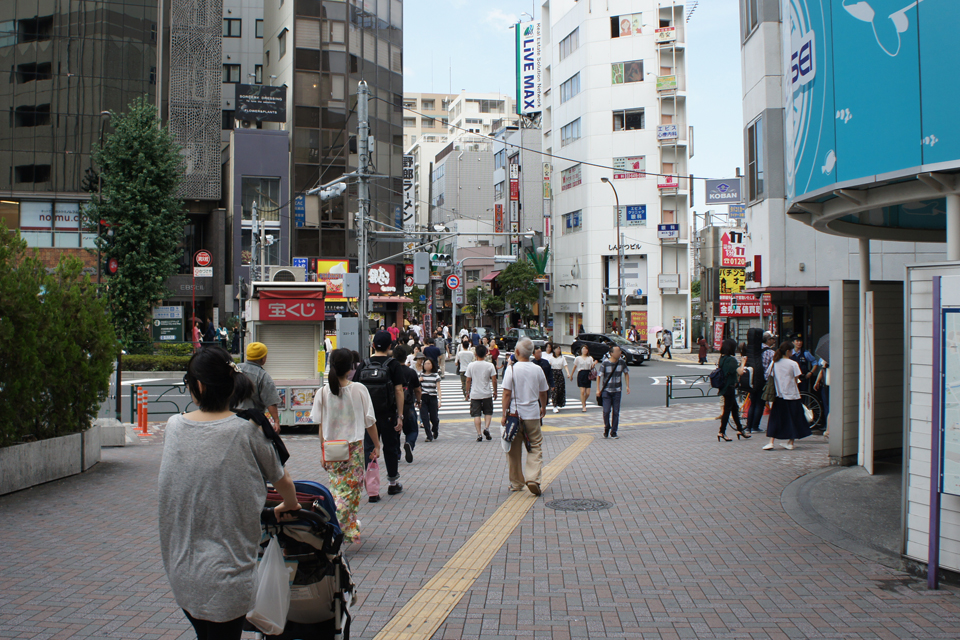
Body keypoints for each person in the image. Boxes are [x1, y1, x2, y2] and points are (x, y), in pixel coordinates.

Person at [158, 346, 302, 639]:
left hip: (181, 570)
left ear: (197, 385)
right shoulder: (247, 429)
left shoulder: (174, 426)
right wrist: (290, 504)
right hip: (229, 572)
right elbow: (282, 479)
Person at [311, 349, 380, 543]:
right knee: (350, 491)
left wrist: (322, 451)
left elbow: (321, 425)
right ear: (351, 367)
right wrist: (377, 444)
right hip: (354, 447)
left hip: (332, 448)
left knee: (338, 488)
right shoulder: (358, 389)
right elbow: (370, 421)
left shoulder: (323, 392)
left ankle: (348, 529)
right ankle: (334, 526)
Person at [354, 331, 405, 499]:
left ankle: (372, 490)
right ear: (390, 346)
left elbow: (355, 389)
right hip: (388, 414)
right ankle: (392, 483)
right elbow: (398, 390)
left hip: (368, 416)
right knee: (390, 447)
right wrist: (400, 415)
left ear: (373, 345)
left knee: (369, 449)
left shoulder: (364, 364)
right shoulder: (393, 364)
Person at [501, 337, 549, 495]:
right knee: (535, 446)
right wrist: (543, 407)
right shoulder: (537, 369)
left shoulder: (512, 369)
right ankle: (533, 478)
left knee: (513, 451)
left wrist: (503, 414)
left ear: (516, 352)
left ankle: (516, 483)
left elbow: (507, 393)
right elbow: (543, 392)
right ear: (532, 353)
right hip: (533, 414)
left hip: (515, 414)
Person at [763, 340, 813, 450]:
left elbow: (769, 376)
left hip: (779, 395)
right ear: (787, 351)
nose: (793, 352)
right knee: (794, 419)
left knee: (775, 419)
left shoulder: (774, 362)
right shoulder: (793, 364)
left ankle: (771, 442)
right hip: (793, 395)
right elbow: (796, 379)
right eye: (791, 350)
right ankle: (790, 442)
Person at [236, 342, 280, 431]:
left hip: (232, 417)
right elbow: (271, 401)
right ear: (263, 358)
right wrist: (276, 421)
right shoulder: (263, 376)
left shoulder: (235, 369)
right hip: (253, 420)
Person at [392, 345, 422, 464]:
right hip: (408, 405)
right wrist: (418, 401)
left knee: (394, 431)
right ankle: (409, 443)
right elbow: (418, 390)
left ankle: (396, 454)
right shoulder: (411, 372)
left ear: (394, 357)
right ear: (406, 358)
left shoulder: (391, 371)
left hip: (393, 406)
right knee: (412, 430)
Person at [716, 338, 749, 442]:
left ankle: (740, 430)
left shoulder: (722, 358)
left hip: (724, 387)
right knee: (727, 410)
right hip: (729, 387)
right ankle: (721, 432)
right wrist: (743, 362)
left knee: (734, 408)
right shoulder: (731, 360)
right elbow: (740, 372)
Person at [465, 344, 498, 442]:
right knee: (488, 412)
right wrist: (495, 391)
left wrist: (467, 392)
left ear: (475, 354)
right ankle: (487, 428)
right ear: (486, 353)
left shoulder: (471, 365)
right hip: (487, 393)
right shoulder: (490, 365)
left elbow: (468, 380)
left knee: (476, 414)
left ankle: (479, 434)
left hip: (475, 393)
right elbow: (494, 380)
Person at [596, 346, 630, 438]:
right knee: (606, 411)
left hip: (617, 391)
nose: (619, 353)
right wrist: (598, 389)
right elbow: (599, 376)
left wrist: (627, 386)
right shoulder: (605, 363)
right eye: (618, 351)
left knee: (616, 412)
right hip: (606, 391)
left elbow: (626, 373)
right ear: (611, 353)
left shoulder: (621, 362)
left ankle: (614, 432)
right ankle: (607, 427)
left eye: (620, 351)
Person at [419, 357, 441, 441]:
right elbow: (418, 388)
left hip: (432, 397)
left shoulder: (436, 375)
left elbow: (438, 389)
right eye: (425, 364)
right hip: (423, 398)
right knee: (424, 418)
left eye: (428, 364)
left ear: (432, 365)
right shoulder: (421, 375)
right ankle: (429, 435)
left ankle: (435, 429)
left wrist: (440, 400)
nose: (426, 365)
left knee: (434, 418)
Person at [570, 346, 595, 412]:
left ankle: (583, 401)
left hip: (588, 374)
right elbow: (575, 367)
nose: (584, 350)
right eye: (583, 349)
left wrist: (594, 364)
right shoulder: (578, 358)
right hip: (581, 374)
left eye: (586, 349)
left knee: (588, 393)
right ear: (581, 350)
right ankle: (584, 406)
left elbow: (592, 366)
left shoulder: (590, 358)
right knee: (582, 391)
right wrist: (571, 375)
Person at [548, 345, 570, 413]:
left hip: (560, 373)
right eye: (557, 349)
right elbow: (548, 366)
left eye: (559, 349)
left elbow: (565, 365)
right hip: (553, 373)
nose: (558, 351)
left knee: (560, 389)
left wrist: (568, 373)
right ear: (554, 350)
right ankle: (554, 406)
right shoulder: (550, 357)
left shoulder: (562, 358)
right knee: (554, 390)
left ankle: (558, 403)